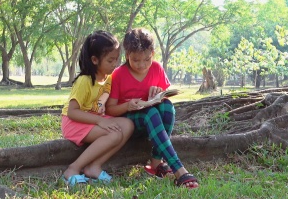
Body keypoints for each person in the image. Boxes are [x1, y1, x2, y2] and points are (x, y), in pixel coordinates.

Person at [106, 28, 199, 189]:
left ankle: (156, 162)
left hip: (152, 120)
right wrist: (128, 105)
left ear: (153, 54)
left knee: (167, 107)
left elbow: (165, 98)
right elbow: (110, 109)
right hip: (129, 123)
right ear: (127, 55)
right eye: (135, 60)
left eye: (147, 59)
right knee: (151, 112)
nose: (142, 65)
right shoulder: (119, 74)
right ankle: (179, 170)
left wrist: (158, 93)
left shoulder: (156, 68)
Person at [61, 30, 134, 186]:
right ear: (95, 60)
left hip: (93, 119)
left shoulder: (108, 78)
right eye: (110, 60)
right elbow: (72, 112)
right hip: (74, 122)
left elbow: (106, 105)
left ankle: (93, 167)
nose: (115, 65)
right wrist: (101, 121)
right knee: (114, 134)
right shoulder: (84, 81)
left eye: (116, 60)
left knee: (127, 125)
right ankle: (73, 168)